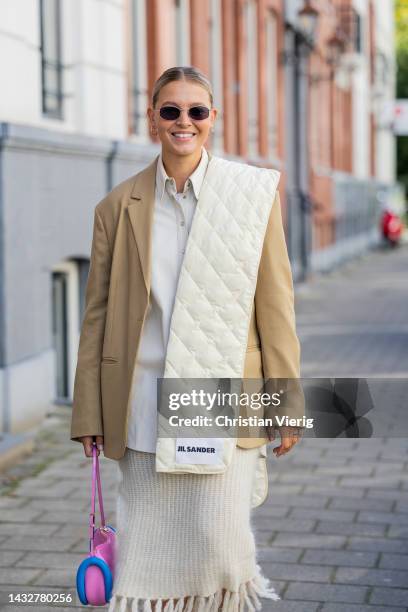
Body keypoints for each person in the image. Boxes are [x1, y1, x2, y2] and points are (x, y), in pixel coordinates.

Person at [70, 66, 303, 612]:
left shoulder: (251, 196)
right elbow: (97, 315)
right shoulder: (116, 207)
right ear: (153, 119)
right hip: (143, 401)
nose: (184, 122)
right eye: (170, 111)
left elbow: (275, 305)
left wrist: (287, 405)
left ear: (212, 120)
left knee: (222, 545)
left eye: (196, 111)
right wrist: (88, 414)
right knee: (149, 550)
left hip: (222, 394)